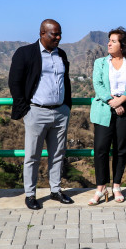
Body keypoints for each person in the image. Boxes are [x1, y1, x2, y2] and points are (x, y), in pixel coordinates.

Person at [8, 19, 74, 210]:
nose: (59, 37)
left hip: (60, 112)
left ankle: (55, 190)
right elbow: (15, 82)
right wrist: (26, 110)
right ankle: (30, 194)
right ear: (42, 33)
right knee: (32, 155)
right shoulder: (25, 53)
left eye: (60, 33)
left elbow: (66, 81)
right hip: (36, 111)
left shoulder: (61, 54)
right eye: (55, 34)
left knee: (58, 153)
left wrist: (66, 106)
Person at [88, 27, 126, 205]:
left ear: (122, 45)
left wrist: (122, 101)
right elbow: (98, 83)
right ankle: (100, 188)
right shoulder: (100, 63)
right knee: (101, 148)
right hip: (105, 107)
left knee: (121, 149)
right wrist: (112, 101)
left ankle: (117, 186)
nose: (109, 44)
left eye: (113, 41)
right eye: (109, 40)